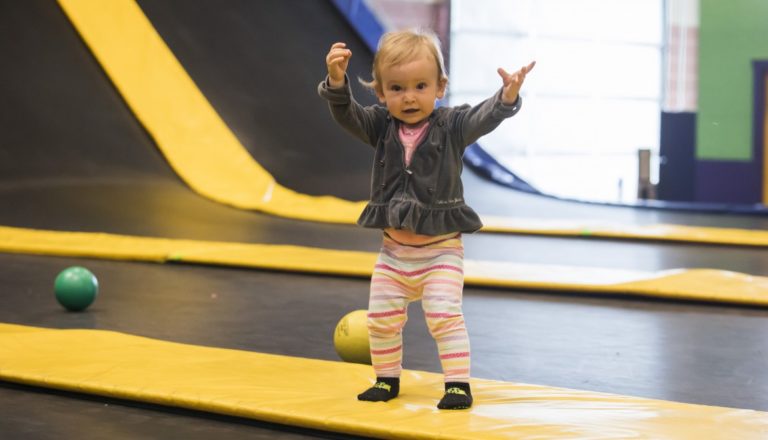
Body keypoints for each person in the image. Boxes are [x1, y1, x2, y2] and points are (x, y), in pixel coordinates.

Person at [318, 29, 534, 410]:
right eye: (397, 88)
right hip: (393, 254)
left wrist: (506, 97)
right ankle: (386, 379)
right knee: (381, 321)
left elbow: (481, 119)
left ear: (440, 87)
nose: (409, 97)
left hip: (440, 254)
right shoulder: (381, 125)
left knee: (444, 316)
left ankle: (456, 385)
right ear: (382, 92)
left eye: (420, 86)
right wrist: (337, 82)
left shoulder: (451, 126)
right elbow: (348, 115)